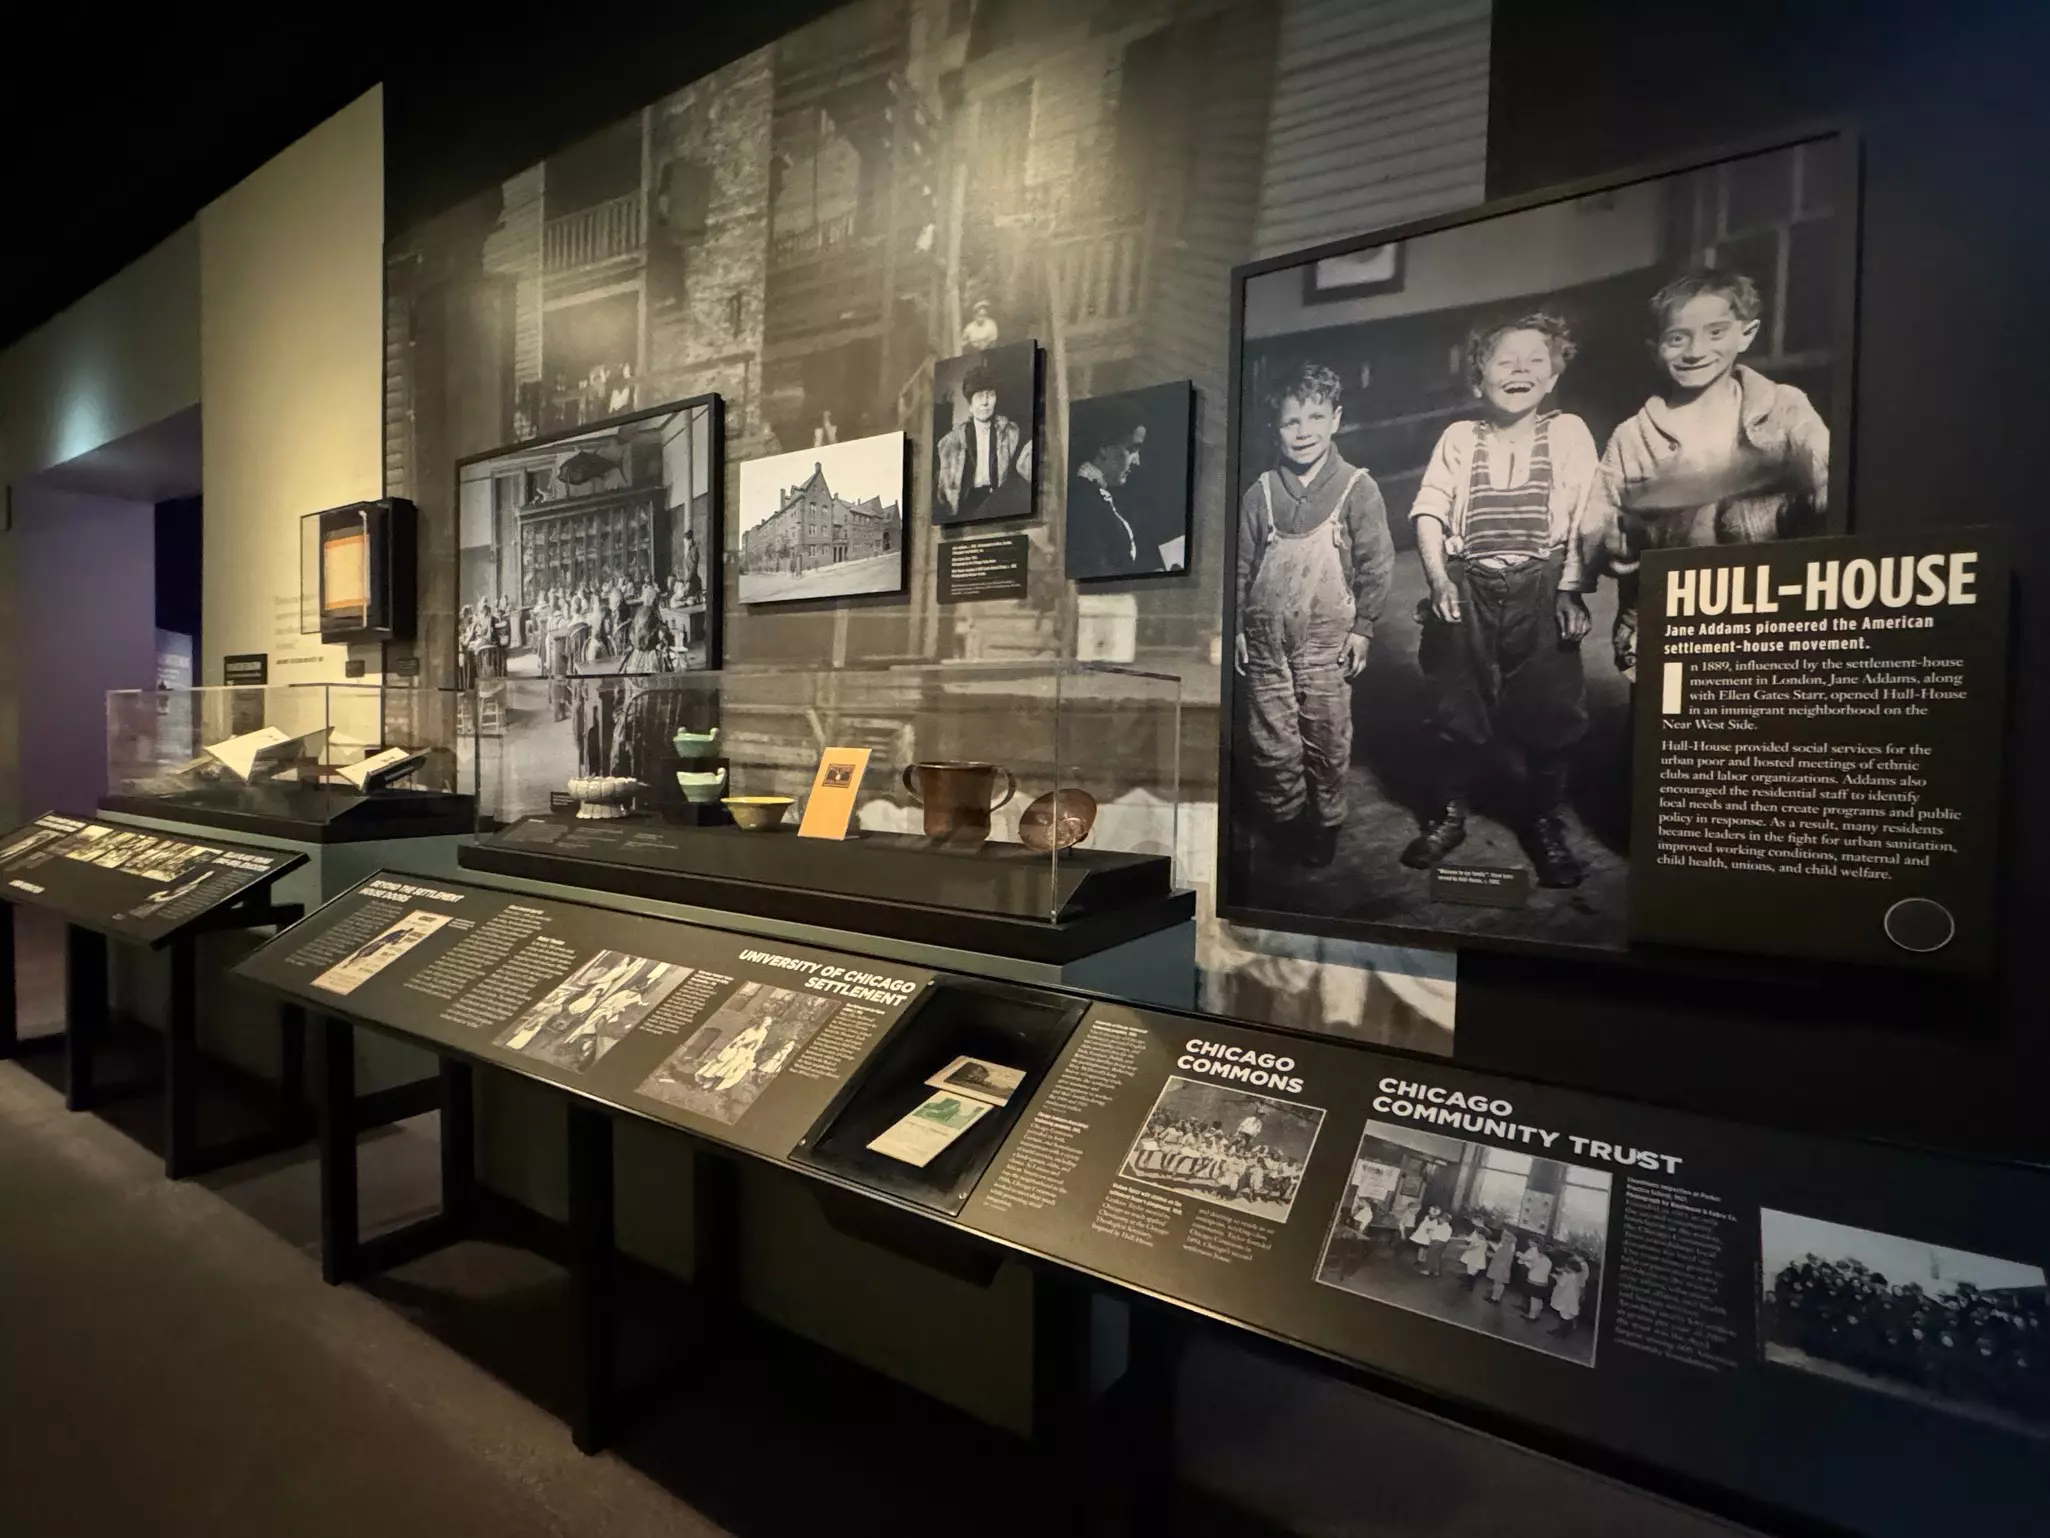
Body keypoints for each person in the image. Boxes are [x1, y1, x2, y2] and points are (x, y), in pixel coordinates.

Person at [1404, 313, 1602, 888]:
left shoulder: (1568, 433)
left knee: (1553, 710)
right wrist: (1440, 581)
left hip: (1542, 584)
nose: (1519, 369)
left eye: (1535, 359)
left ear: (1553, 375)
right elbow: (1429, 512)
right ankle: (1447, 814)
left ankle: (1542, 819)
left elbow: (1587, 518)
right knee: (1453, 706)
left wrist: (1571, 590)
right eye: (1503, 361)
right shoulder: (1460, 438)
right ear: (1477, 381)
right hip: (1468, 584)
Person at [1568, 267, 1830, 673]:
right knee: (1661, 720)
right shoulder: (1632, 436)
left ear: (1747, 333)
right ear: (1655, 348)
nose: (1695, 351)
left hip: (1768, 603)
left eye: (1715, 332)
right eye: (1678, 338)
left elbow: (1822, 466)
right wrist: (1596, 564)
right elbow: (1596, 520)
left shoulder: (1783, 407)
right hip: (1666, 614)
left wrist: (1811, 493)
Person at [1233, 362, 1394, 867]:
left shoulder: (1356, 488)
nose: (1303, 433)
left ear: (1336, 420)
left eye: (1315, 417)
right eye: (1290, 422)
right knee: (1271, 739)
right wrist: (1237, 625)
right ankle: (1286, 818)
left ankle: (1325, 820)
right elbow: (1240, 567)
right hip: (1264, 640)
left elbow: (1376, 563)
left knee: (1325, 732)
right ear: (1274, 429)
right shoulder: (1259, 493)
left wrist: (1363, 628)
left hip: (1327, 640)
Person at [1067, 402, 1158, 576]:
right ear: (1104, 449)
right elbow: (1091, 569)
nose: (1137, 461)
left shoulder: (1095, 495)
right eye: (1131, 450)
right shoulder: (1082, 498)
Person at [935, 361, 1032, 522]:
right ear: (970, 404)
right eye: (979, 396)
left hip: (999, 503)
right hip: (965, 506)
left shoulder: (1011, 433)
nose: (985, 402)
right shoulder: (951, 442)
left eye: (990, 395)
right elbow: (942, 495)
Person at [1548, 1254, 1589, 1335]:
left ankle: (1562, 1331)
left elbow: (1561, 1282)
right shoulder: (1576, 1275)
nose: (1565, 1267)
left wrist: (1556, 1276)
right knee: (1568, 1314)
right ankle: (1565, 1330)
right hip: (1573, 1296)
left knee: (1564, 1314)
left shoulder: (1567, 1275)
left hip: (1565, 1296)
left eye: (1567, 1266)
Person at [1521, 1241, 1556, 1320]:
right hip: (1543, 1283)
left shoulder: (1540, 1260)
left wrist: (1524, 1261)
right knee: (1539, 1300)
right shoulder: (1549, 1261)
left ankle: (1531, 1316)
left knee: (1534, 1300)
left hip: (1535, 1282)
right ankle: (1537, 1314)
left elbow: (1532, 1266)